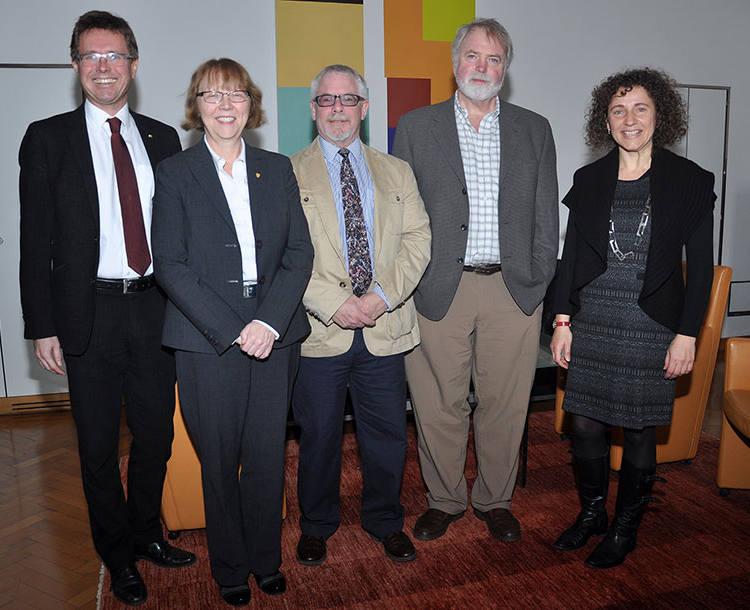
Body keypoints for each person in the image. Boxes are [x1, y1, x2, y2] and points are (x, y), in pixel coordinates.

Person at [18, 10, 195, 606]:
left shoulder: (162, 138)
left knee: (156, 437)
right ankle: (117, 555)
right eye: (91, 56)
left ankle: (146, 533)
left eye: (114, 55)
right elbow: (34, 239)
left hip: (154, 311)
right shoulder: (47, 138)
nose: (103, 66)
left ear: (133, 66)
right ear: (75, 66)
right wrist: (41, 325)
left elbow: (179, 232)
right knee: (97, 447)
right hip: (86, 314)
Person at [151, 58, 313, 606]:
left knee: (267, 456)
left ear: (251, 105)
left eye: (236, 94)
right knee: (218, 461)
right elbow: (169, 263)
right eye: (212, 94)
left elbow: (299, 252)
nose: (225, 105)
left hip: (275, 330)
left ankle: (266, 561)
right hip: (206, 339)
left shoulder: (277, 168)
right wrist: (234, 328)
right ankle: (229, 569)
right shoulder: (175, 172)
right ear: (196, 106)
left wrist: (266, 322)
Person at [392, 18, 558, 543]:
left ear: (505, 68)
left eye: (493, 59)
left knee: (505, 404)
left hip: (514, 290)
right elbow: (400, 215)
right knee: (437, 403)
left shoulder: (535, 128)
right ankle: (444, 500)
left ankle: (494, 500)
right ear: (454, 62)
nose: (482, 67)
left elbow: (546, 214)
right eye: (472, 56)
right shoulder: (416, 127)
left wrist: (539, 276)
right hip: (439, 287)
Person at [550, 67, 714, 569]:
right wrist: (561, 319)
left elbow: (701, 268)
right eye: (618, 110)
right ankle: (593, 513)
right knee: (584, 424)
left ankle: (625, 529)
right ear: (606, 121)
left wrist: (687, 335)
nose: (630, 119)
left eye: (640, 108)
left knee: (640, 429)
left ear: (659, 115)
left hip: (652, 323)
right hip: (593, 318)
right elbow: (571, 256)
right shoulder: (589, 180)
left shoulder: (689, 180)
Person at [290, 65, 431, 566]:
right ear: (313, 110)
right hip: (319, 332)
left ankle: (385, 521)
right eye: (326, 100)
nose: (337, 109)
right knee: (319, 436)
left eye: (347, 99)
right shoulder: (288, 172)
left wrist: (380, 298)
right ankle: (317, 524)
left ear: (364, 108)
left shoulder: (397, 171)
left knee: (388, 435)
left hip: (384, 327)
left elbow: (418, 240)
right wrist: (335, 303)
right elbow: (283, 253)